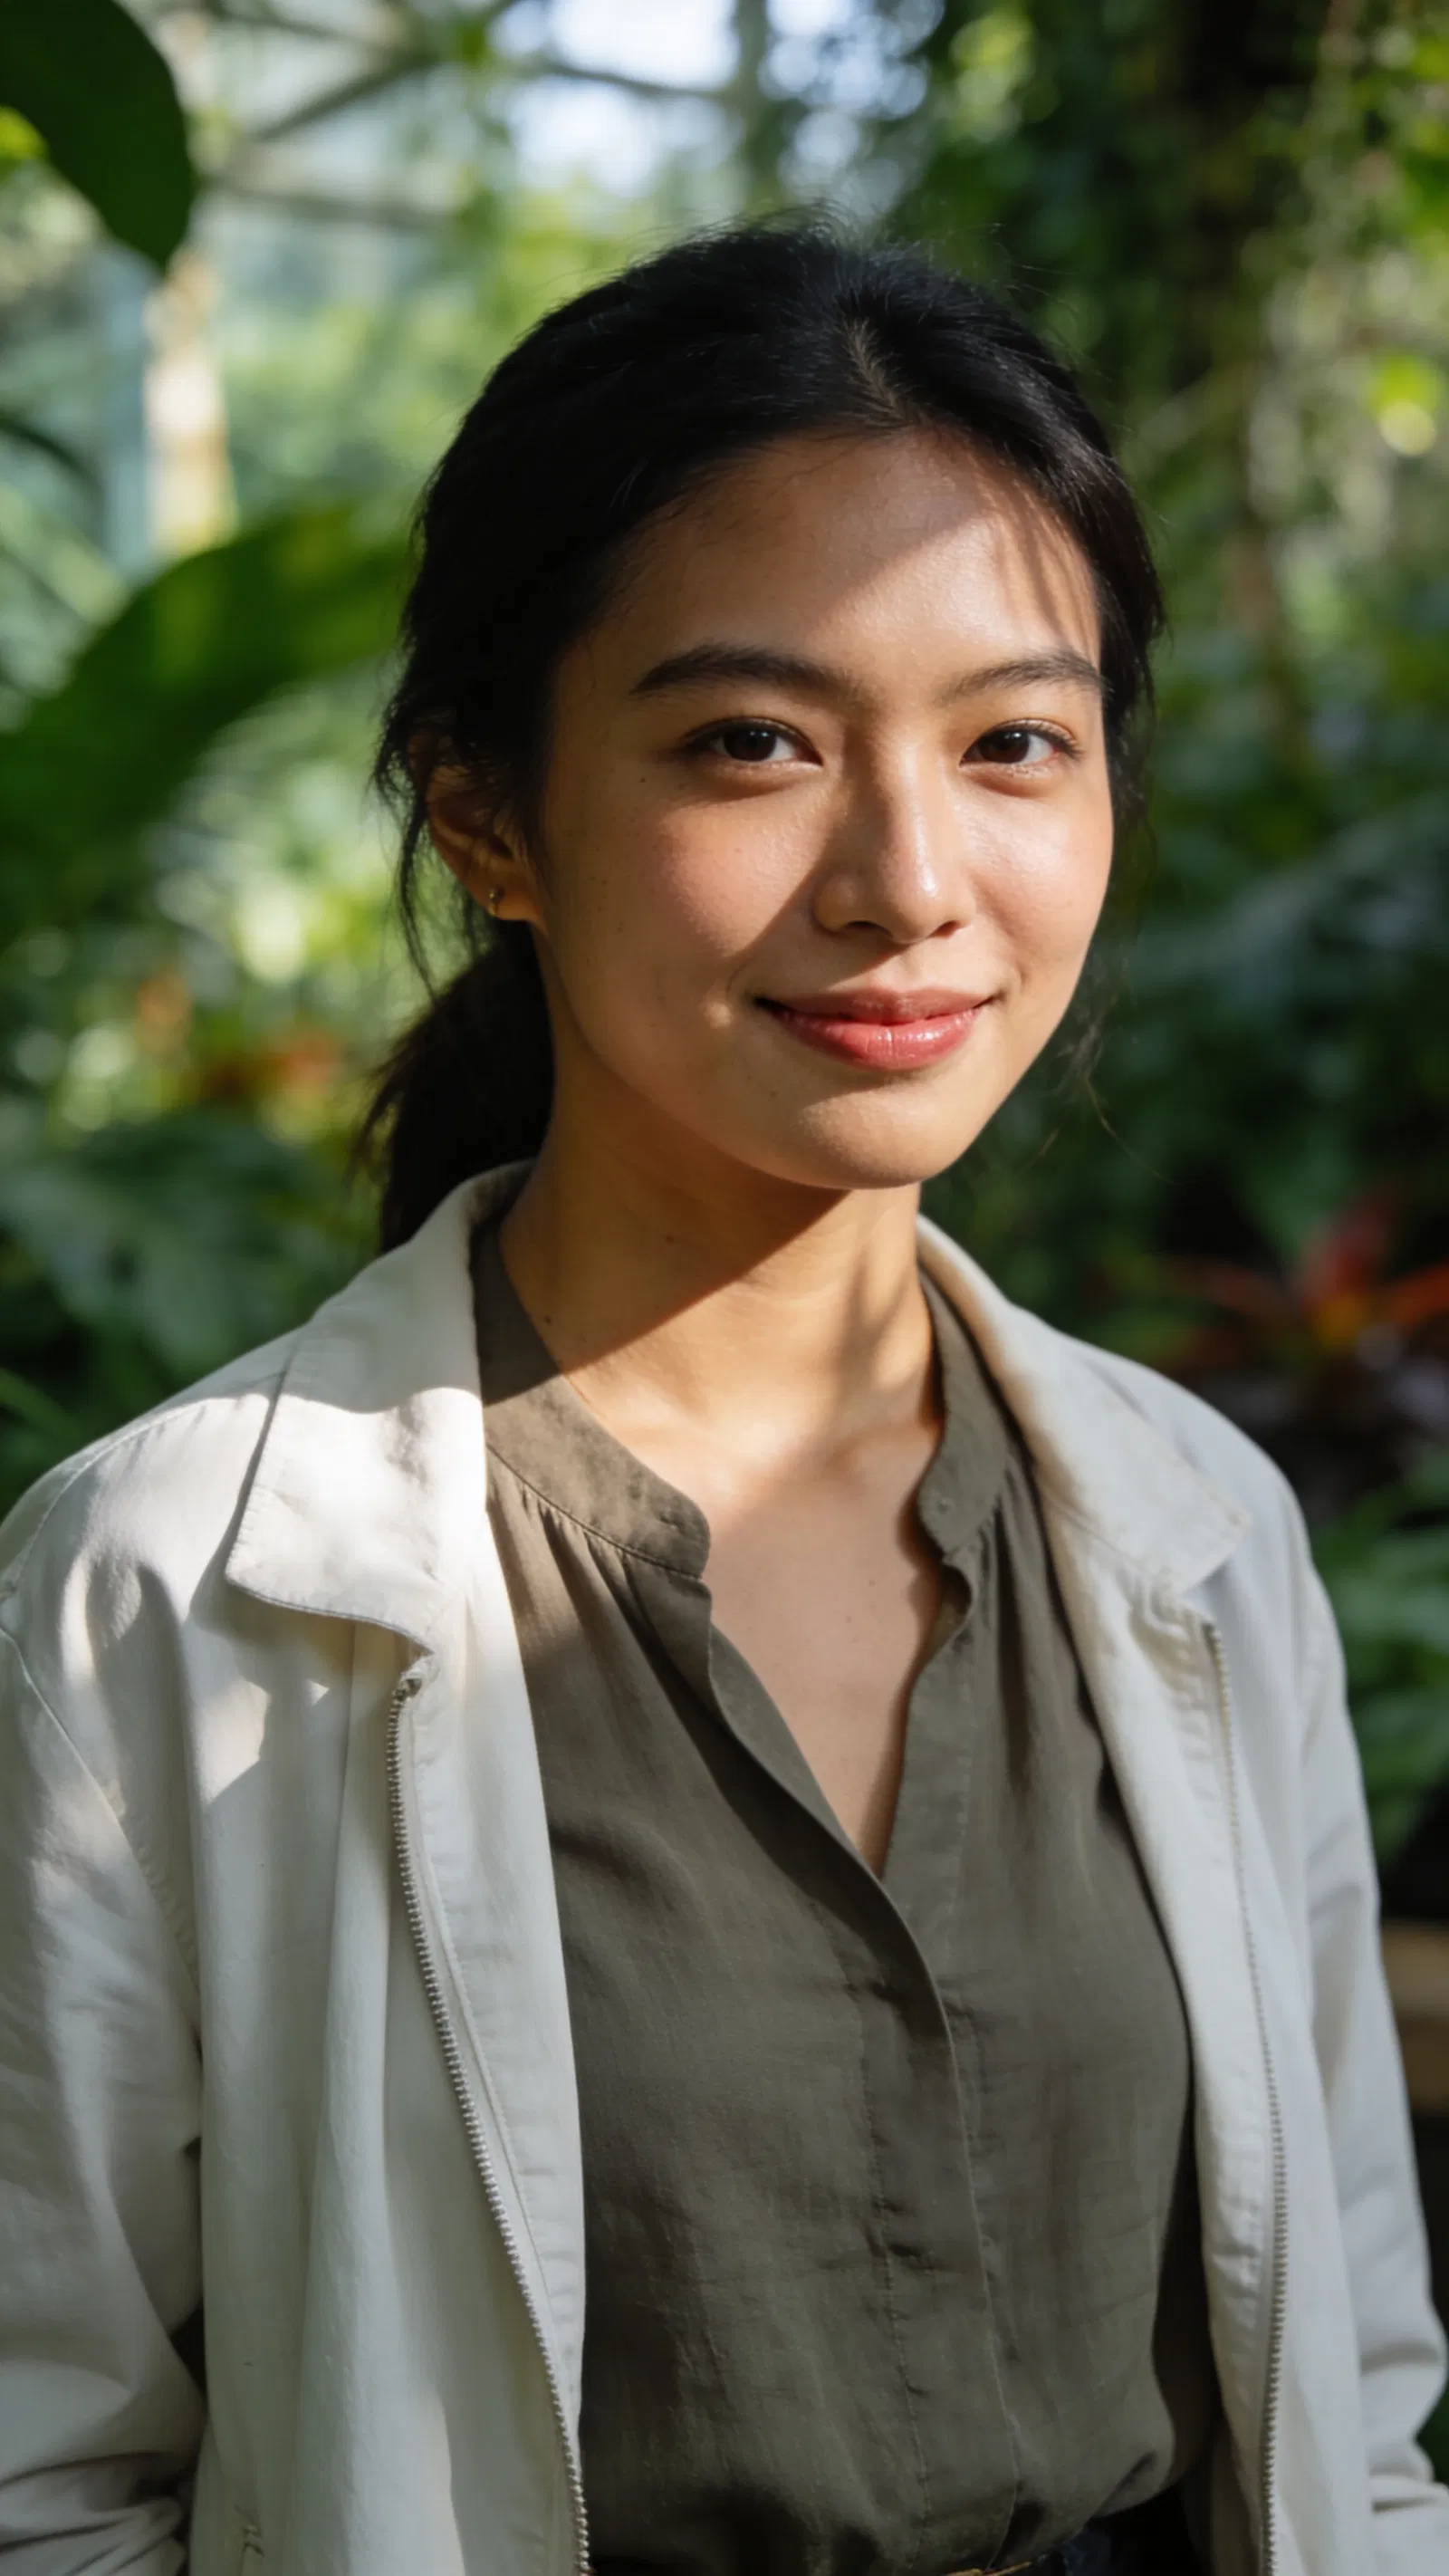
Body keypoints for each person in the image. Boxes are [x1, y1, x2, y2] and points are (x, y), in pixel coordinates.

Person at [0, 222, 1444, 2576]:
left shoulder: (1192, 1525)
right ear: (487, 811)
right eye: (754, 741)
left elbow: (1352, 2414)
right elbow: (39, 2474)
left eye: (1013, 743)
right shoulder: (163, 1587)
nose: (906, 880)